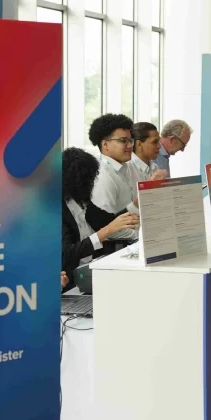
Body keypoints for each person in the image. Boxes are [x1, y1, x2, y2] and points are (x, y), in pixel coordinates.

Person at [62, 147, 139, 291]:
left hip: (88, 276)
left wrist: (134, 205)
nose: (92, 184)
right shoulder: (59, 211)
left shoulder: (83, 202)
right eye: (89, 179)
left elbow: (110, 221)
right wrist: (106, 232)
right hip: (68, 284)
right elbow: (67, 253)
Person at [89, 113, 144, 240]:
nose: (130, 146)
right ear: (105, 145)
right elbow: (106, 228)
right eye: (123, 141)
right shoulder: (102, 175)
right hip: (116, 249)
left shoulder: (128, 167)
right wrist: (141, 236)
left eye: (130, 140)